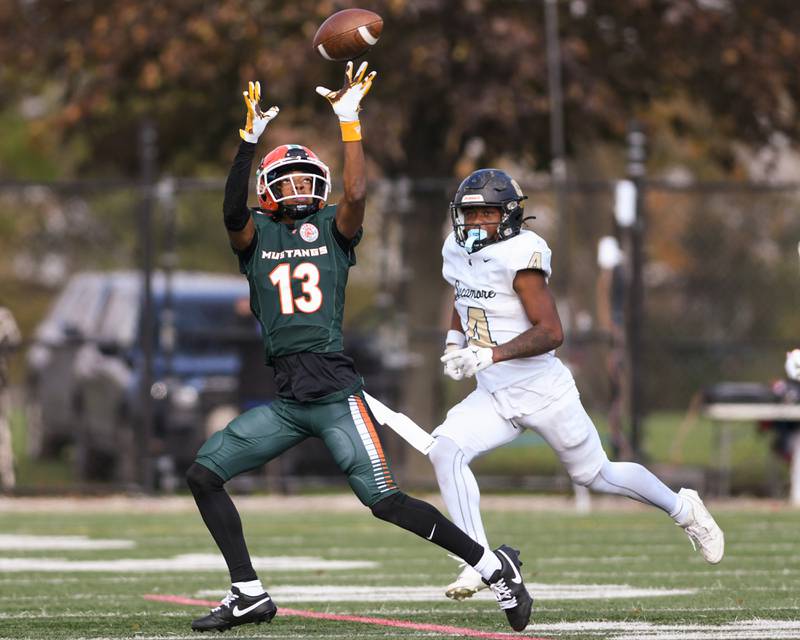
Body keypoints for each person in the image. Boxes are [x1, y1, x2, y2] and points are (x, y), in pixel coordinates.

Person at [185, 65, 533, 634]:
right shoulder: (256, 236)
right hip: (289, 398)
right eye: (287, 181)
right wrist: (247, 143)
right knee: (204, 474)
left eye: (305, 179)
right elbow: (229, 213)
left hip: (334, 395)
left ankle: (493, 567)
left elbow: (357, 191)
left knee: (386, 502)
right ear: (269, 191)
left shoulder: (333, 230)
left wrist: (349, 122)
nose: (298, 188)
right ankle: (247, 592)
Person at [428, 168, 725, 601]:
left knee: (596, 474)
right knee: (445, 450)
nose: (475, 224)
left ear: (508, 216)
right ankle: (478, 560)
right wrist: (455, 342)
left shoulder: (522, 255)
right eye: (470, 215)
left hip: (542, 389)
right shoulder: (455, 249)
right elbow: (462, 292)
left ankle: (684, 509)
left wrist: (487, 353)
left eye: (486, 214)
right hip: (493, 393)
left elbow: (551, 332)